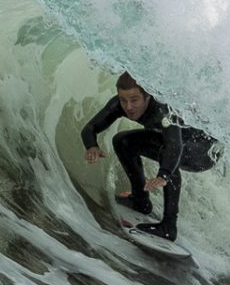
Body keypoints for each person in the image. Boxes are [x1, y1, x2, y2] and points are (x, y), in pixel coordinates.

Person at [80, 72, 221, 243]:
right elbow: (90, 128)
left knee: (167, 153)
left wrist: (164, 174)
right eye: (123, 100)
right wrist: (92, 146)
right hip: (178, 143)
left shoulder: (163, 109)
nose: (128, 107)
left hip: (205, 151)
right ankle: (140, 201)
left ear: (147, 96)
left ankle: (169, 226)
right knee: (123, 141)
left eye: (134, 100)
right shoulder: (119, 105)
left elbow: (174, 146)